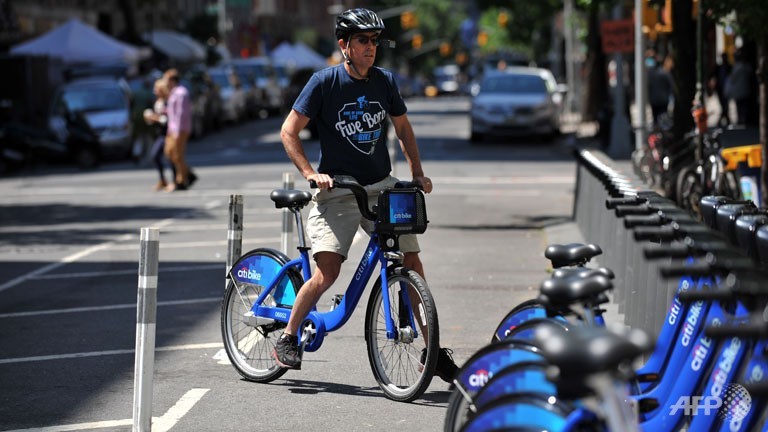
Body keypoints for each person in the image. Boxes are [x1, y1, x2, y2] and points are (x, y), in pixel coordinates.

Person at [274, 8, 457, 382]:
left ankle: (432, 351)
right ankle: (288, 337)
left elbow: (404, 130)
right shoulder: (324, 83)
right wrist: (312, 174)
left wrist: (417, 174)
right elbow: (288, 131)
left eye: (374, 41)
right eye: (363, 40)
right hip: (338, 189)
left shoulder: (385, 82)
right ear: (345, 46)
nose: (371, 48)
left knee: (412, 262)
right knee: (327, 272)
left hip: (381, 186)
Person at [163, 69, 197, 191]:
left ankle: (181, 181)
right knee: (169, 153)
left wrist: (177, 131)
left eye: (166, 79)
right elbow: (172, 111)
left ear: (172, 80)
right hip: (172, 129)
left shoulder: (181, 93)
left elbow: (181, 113)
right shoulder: (173, 93)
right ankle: (189, 174)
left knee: (178, 155)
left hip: (180, 129)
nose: (164, 82)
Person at [143, 78, 176, 191]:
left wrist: (153, 117)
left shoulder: (168, 101)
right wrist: (150, 118)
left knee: (169, 157)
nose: (154, 91)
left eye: (156, 89)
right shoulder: (157, 102)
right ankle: (163, 180)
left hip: (168, 133)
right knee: (157, 156)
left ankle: (175, 181)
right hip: (160, 133)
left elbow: (165, 120)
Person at [646, 53, 674, 127]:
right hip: (662, 100)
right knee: (663, 118)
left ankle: (658, 130)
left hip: (655, 100)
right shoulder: (664, 73)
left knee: (656, 118)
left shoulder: (650, 74)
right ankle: (662, 131)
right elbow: (670, 86)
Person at [726, 50, 753, 126]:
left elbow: (732, 79)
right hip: (744, 90)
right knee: (743, 106)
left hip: (739, 91)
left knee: (740, 107)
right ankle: (742, 120)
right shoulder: (745, 66)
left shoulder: (737, 67)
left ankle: (741, 120)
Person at [709, 52, 732, 126]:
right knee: (723, 105)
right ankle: (726, 119)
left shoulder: (729, 67)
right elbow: (712, 75)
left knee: (725, 105)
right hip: (720, 88)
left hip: (727, 88)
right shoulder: (718, 67)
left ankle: (722, 120)